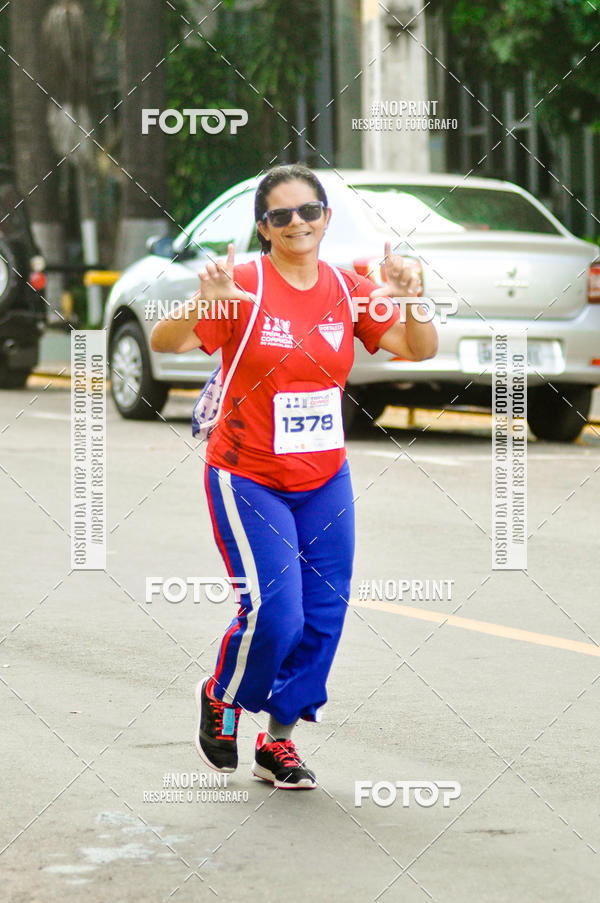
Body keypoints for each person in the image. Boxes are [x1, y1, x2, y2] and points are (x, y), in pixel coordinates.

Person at [151, 164, 438, 790]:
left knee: (323, 617)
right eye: (281, 216)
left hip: (324, 478)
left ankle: (277, 742)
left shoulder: (348, 286)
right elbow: (165, 339)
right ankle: (221, 695)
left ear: (326, 218)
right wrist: (203, 301)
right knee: (276, 613)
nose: (297, 224)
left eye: (308, 211)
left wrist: (414, 294)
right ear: (263, 227)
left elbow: (419, 349)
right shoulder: (244, 285)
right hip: (248, 474)